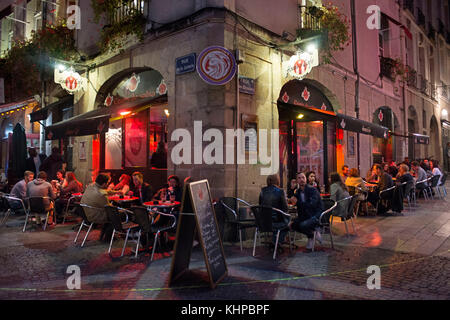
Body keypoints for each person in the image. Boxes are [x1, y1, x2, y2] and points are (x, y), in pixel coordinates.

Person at [289, 172, 324, 250]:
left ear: (306, 179)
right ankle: (312, 234)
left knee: (303, 225)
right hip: (305, 215)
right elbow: (292, 200)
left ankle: (312, 234)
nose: (301, 180)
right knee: (291, 225)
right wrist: (291, 189)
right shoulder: (298, 191)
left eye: (303, 177)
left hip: (315, 214)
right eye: (299, 178)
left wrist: (298, 203)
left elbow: (312, 205)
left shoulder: (312, 190)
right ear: (297, 181)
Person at [259, 174, 289, 248]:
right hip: (276, 222)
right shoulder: (280, 191)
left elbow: (260, 204)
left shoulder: (262, 191)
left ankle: (275, 240)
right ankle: (277, 242)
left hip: (263, 223)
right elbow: (285, 209)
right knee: (289, 224)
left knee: (284, 222)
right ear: (277, 181)